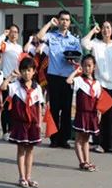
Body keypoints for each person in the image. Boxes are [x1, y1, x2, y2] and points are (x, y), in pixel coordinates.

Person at [35, 12, 81, 148]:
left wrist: (73, 59)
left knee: (66, 110)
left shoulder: (74, 39)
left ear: (69, 23)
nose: (64, 22)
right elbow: (39, 37)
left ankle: (64, 139)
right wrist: (49, 23)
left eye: (67, 20)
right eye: (62, 19)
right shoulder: (51, 35)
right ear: (58, 21)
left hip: (68, 77)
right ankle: (54, 139)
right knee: (54, 109)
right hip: (54, 76)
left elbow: (78, 56)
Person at [81, 21, 112, 153]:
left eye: (108, 27)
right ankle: (98, 143)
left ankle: (109, 144)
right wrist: (94, 30)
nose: (106, 30)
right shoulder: (95, 44)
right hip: (99, 84)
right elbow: (83, 43)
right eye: (104, 28)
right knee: (99, 115)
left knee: (110, 116)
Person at [7, 56, 44, 188]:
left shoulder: (37, 88)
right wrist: (10, 76)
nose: (26, 73)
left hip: (33, 124)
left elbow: (39, 106)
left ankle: (28, 177)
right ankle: (21, 177)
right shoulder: (16, 86)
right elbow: (2, 87)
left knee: (30, 150)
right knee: (21, 149)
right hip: (20, 123)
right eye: (23, 70)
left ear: (34, 71)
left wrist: (39, 123)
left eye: (29, 70)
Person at [66, 55, 101, 172]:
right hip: (82, 113)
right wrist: (76, 71)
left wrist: (99, 113)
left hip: (91, 114)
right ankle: (81, 162)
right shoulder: (79, 80)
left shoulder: (97, 84)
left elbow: (98, 100)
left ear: (94, 67)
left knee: (86, 139)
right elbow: (68, 81)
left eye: (89, 66)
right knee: (79, 138)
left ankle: (87, 160)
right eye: (85, 65)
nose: (87, 68)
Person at [0, 25, 24, 140]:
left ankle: (12, 130)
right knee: (6, 107)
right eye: (11, 32)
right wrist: (3, 35)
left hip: (17, 80)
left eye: (16, 32)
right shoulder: (5, 45)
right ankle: (5, 131)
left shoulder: (20, 48)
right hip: (7, 79)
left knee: (15, 107)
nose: (13, 34)